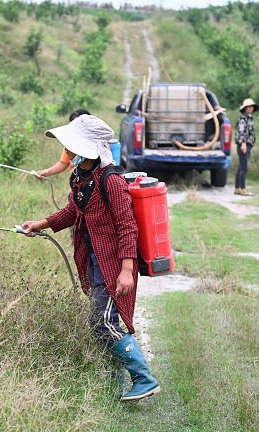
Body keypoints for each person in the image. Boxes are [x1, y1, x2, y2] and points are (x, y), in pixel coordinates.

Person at [21, 115, 161, 402]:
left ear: (88, 149)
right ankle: (115, 388)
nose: (69, 152)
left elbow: (127, 226)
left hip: (113, 263)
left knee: (103, 323)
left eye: (73, 146)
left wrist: (126, 270)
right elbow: (73, 211)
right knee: (105, 322)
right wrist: (41, 223)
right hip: (94, 260)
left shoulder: (111, 181)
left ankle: (144, 378)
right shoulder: (80, 177)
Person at [35, 109, 91, 179]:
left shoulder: (98, 145)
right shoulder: (70, 144)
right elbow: (63, 163)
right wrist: (46, 172)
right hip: (76, 186)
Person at [235, 98, 259, 196]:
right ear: (245, 108)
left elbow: (250, 132)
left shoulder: (250, 118)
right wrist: (243, 143)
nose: (251, 108)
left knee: (241, 166)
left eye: (252, 107)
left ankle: (237, 188)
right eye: (249, 107)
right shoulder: (242, 119)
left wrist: (252, 142)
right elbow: (241, 132)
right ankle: (243, 188)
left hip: (248, 145)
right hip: (243, 145)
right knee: (244, 168)